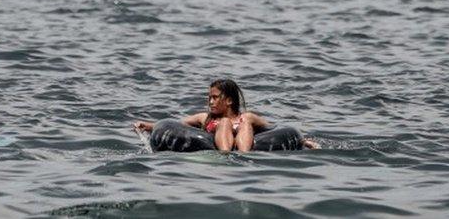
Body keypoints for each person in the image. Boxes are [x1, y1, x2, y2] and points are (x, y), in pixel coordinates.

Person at [133, 78, 319, 151]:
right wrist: (147, 126)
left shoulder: (248, 117)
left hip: (244, 147)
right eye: (209, 98)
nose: (210, 102)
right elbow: (174, 124)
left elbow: (274, 129)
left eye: (215, 98)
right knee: (224, 124)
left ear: (229, 100)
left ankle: (244, 156)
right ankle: (225, 155)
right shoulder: (204, 118)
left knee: (245, 122)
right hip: (217, 147)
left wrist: (302, 141)